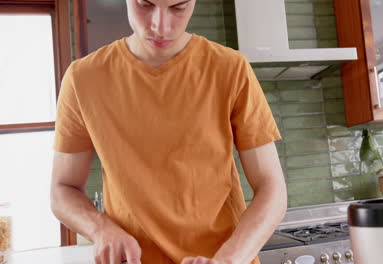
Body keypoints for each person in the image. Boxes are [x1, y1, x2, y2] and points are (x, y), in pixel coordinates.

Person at [50, 0, 287, 263]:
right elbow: (63, 189)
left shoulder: (230, 69)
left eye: (178, 7)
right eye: (144, 5)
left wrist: (227, 260)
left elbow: (272, 188)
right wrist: (100, 229)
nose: (159, 26)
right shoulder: (84, 78)